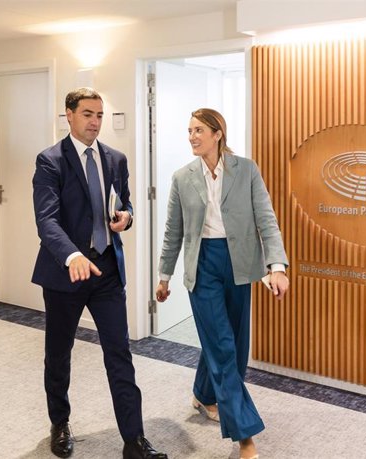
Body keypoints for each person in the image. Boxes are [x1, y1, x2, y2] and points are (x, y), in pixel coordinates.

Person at [32, 88, 166, 459]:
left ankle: (133, 441)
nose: (95, 122)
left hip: (106, 271)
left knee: (119, 353)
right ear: (69, 115)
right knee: (58, 354)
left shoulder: (115, 159)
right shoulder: (50, 161)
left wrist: (127, 217)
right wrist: (71, 254)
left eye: (99, 115)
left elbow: (124, 204)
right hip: (66, 275)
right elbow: (47, 221)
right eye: (88, 114)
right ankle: (60, 423)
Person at [155, 108, 289, 459]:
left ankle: (204, 393)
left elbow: (266, 218)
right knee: (223, 347)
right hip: (203, 268)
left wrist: (277, 266)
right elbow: (174, 231)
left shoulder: (246, 169)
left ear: (218, 133)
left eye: (198, 130)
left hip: (241, 265)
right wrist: (164, 276)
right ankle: (243, 434)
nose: (192, 137)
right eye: (189, 131)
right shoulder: (183, 177)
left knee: (234, 345)